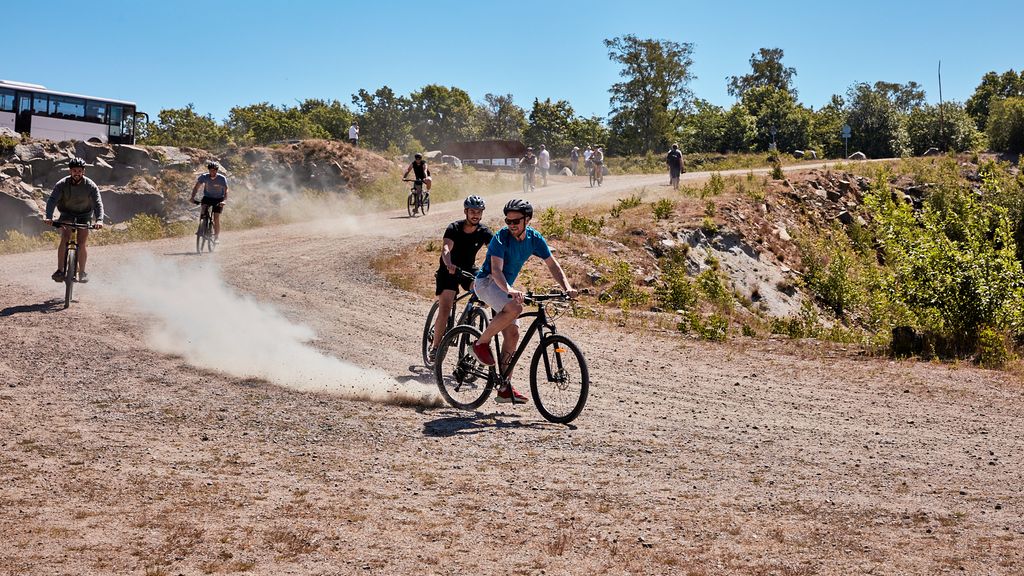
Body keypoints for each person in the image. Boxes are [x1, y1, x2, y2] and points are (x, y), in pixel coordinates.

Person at [471, 199, 577, 403]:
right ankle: (480, 343)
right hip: (486, 283)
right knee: (515, 307)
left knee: (513, 334)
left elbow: (553, 265)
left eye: (516, 221)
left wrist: (567, 287)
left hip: (503, 287)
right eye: (508, 221)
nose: (511, 225)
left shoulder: (535, 238)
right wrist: (510, 290)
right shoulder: (501, 238)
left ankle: (504, 388)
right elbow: (496, 271)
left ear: (527, 220)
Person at [428, 195, 493, 359]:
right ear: (466, 211)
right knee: (446, 307)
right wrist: (449, 264)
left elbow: (495, 250)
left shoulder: (484, 231)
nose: (476, 215)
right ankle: (435, 347)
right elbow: (445, 249)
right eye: (472, 211)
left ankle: (471, 319)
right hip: (448, 270)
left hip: (468, 270)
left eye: (479, 212)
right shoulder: (454, 228)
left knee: (483, 291)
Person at [44, 157, 104, 284]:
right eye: (74, 171)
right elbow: (52, 200)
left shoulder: (90, 185)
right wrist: (49, 216)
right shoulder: (61, 184)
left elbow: (98, 203)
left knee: (82, 242)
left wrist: (99, 220)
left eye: (79, 171)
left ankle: (81, 272)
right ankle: (60, 270)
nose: (77, 173)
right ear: (70, 171)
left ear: (83, 171)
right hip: (67, 214)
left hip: (85, 214)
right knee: (65, 237)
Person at [190, 161, 229, 240]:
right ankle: (201, 228)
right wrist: (192, 197)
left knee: (216, 218)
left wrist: (224, 201)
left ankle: (216, 237)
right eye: (211, 170)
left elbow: (226, 190)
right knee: (203, 210)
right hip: (208, 197)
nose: (212, 172)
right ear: (209, 170)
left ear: (217, 170)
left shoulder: (222, 178)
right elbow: (196, 187)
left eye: (214, 170)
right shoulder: (204, 177)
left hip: (219, 199)